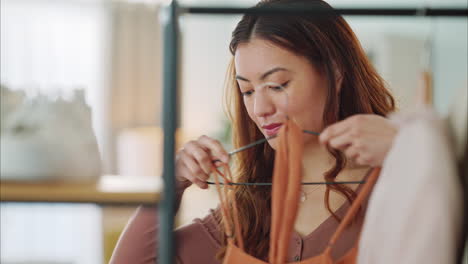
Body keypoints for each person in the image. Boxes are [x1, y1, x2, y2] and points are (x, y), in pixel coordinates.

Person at [110, 0, 398, 263]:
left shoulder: (393, 186)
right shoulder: (248, 211)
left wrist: (407, 150)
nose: (259, 108)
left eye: (277, 85)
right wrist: (172, 182)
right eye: (247, 90)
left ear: (335, 74)